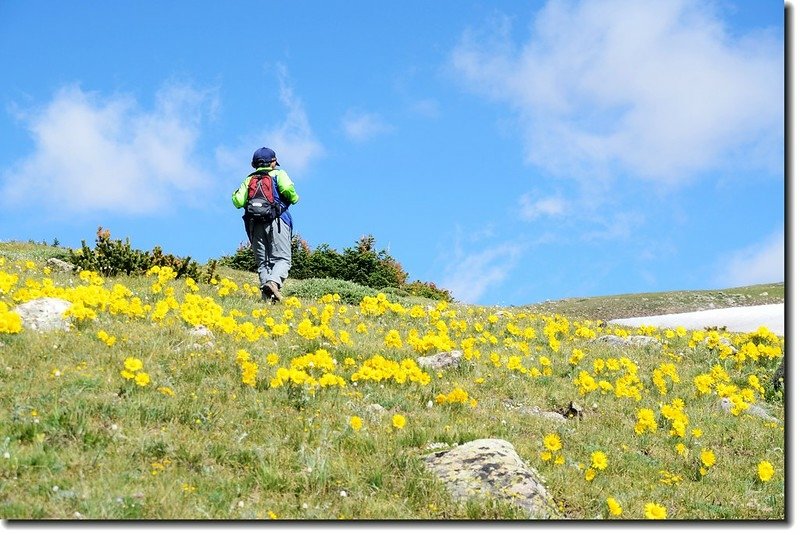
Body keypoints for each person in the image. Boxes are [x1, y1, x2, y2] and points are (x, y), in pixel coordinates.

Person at [231, 147, 300, 302]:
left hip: (255, 224)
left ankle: (267, 300)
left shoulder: (248, 179)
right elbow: (288, 190)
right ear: (273, 162)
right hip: (278, 221)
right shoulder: (279, 174)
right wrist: (294, 198)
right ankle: (273, 283)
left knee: (263, 263)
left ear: (253, 164)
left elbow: (238, 201)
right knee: (282, 259)